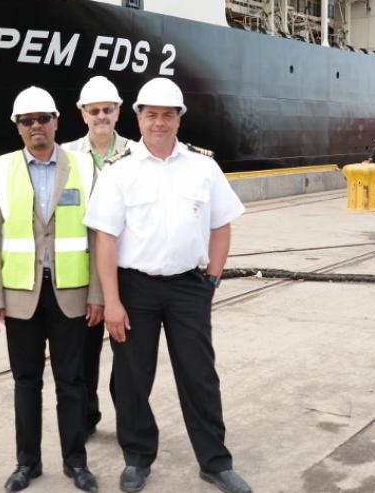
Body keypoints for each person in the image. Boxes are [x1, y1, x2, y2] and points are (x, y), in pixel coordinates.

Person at [83, 78, 252, 493]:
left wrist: (210, 279)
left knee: (200, 376)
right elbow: (105, 238)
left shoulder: (203, 167)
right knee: (131, 378)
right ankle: (137, 458)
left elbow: (221, 226)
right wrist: (113, 301)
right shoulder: (118, 171)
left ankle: (215, 462)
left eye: (168, 115)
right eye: (152, 114)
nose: (160, 123)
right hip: (134, 289)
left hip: (189, 288)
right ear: (138, 117)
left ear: (180, 119)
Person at [0, 86, 102, 493]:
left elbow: (98, 236)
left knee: (73, 381)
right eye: (27, 120)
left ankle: (75, 463)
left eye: (43, 119)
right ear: (18, 127)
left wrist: (98, 294)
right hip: (21, 296)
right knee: (25, 382)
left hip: (71, 292)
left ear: (56, 121)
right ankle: (27, 464)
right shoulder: (1, 169)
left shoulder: (84, 166)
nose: (36, 126)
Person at [61, 76, 133, 437]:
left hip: (128, 268)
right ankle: (87, 416)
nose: (101, 116)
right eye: (95, 110)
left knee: (128, 355)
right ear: (82, 114)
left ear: (118, 111)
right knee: (83, 353)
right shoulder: (66, 157)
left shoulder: (137, 154)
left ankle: (128, 421)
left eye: (107, 109)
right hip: (84, 270)